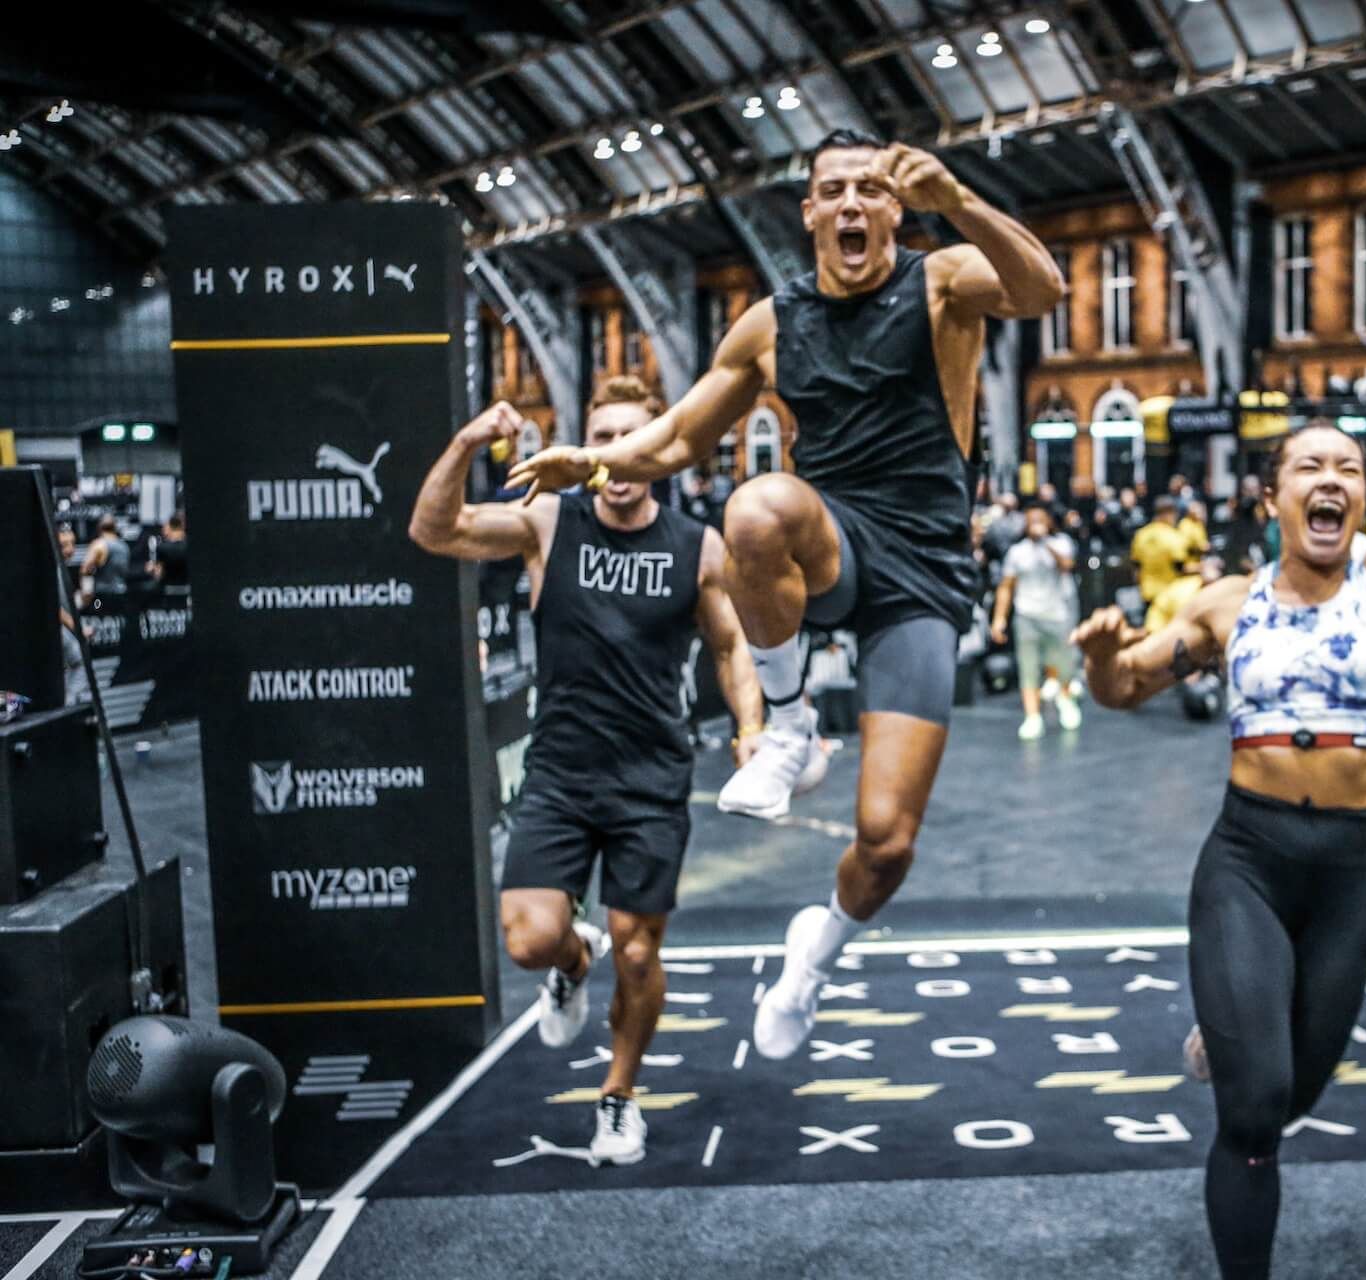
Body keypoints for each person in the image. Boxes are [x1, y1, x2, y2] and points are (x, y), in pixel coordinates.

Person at [507, 128, 1064, 1059]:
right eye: (833, 191)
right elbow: (678, 438)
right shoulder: (770, 323)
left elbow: (1043, 288)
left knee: (886, 842)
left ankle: (813, 955)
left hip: (924, 573)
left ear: (894, 208)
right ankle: (793, 720)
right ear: (807, 212)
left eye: (871, 191)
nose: (852, 205)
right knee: (756, 508)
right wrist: (591, 459)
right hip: (829, 544)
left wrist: (957, 198)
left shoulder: (943, 279)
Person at [1074, 212, 1366, 1280]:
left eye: (1351, 469)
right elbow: (1126, 683)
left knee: (1302, 1090)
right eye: (1309, 468)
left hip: (1350, 872)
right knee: (1257, 1111)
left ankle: (1236, 1040)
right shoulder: (1227, 600)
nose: (1334, 480)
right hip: (1248, 860)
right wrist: (1099, 657)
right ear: (1271, 496)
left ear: (1365, 496)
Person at [409, 380, 766, 1165]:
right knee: (530, 939)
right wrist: (468, 442)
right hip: (563, 775)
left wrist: (751, 727)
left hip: (651, 780)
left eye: (632, 438)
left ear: (658, 449)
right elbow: (435, 530)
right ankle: (574, 962)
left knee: (640, 952)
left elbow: (733, 646)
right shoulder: (547, 521)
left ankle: (617, 1097)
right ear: (583, 447)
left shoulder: (696, 546)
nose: (616, 453)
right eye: (600, 435)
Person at [990, 504, 1083, 740]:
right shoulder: (1017, 552)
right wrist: (999, 619)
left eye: (1040, 520)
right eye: (1031, 521)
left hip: (1056, 613)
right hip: (1026, 615)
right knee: (1028, 667)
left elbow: (1067, 566)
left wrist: (1046, 544)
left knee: (1062, 663)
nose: (1035, 524)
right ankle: (1032, 716)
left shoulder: (1060, 543)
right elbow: (1006, 587)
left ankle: (1066, 701)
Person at [1130, 495, 1189, 607]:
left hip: (1147, 595)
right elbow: (1180, 568)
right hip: (1170, 597)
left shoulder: (1141, 534)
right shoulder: (1173, 536)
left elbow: (1136, 567)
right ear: (1169, 513)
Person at [81, 514, 131, 602]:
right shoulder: (124, 546)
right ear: (115, 527)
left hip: (102, 595)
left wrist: (86, 592)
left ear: (99, 527)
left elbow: (85, 569)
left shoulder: (99, 544)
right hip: (121, 593)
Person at [147, 511, 189, 592]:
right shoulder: (190, 547)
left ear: (170, 526)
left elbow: (158, 574)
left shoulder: (162, 548)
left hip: (167, 589)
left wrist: (151, 568)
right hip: (187, 588)